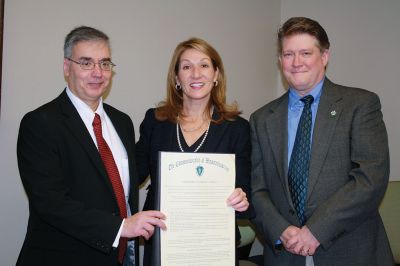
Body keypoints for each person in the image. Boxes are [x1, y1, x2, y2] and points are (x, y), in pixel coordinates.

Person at [250, 17, 394, 266]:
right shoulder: (261, 118)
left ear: (324, 56)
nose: (296, 63)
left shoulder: (360, 105)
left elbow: (370, 178)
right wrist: (281, 230)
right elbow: (256, 187)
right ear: (280, 60)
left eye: (306, 52)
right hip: (285, 254)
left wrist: (316, 230)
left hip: (350, 251)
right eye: (288, 54)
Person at [16, 26, 166, 266]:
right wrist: (121, 227)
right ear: (67, 67)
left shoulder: (122, 122)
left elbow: (126, 187)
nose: (98, 73)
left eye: (105, 63)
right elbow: (50, 202)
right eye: (86, 63)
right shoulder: (40, 123)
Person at [135, 37, 253, 265]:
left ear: (216, 75)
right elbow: (131, 175)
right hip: (163, 241)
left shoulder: (237, 128)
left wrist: (242, 199)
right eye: (187, 67)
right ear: (177, 78)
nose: (196, 74)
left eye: (204, 65)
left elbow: (246, 189)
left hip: (214, 245)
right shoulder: (155, 121)